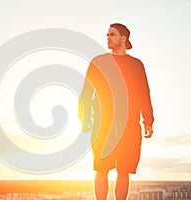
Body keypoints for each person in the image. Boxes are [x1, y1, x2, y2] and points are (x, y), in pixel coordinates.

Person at [78, 23, 154, 200]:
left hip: (129, 125)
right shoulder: (99, 62)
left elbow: (144, 93)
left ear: (123, 39)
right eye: (107, 34)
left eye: (112, 34)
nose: (108, 37)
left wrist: (148, 121)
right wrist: (85, 119)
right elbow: (86, 93)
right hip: (102, 124)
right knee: (101, 169)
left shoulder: (136, 65)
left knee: (124, 170)